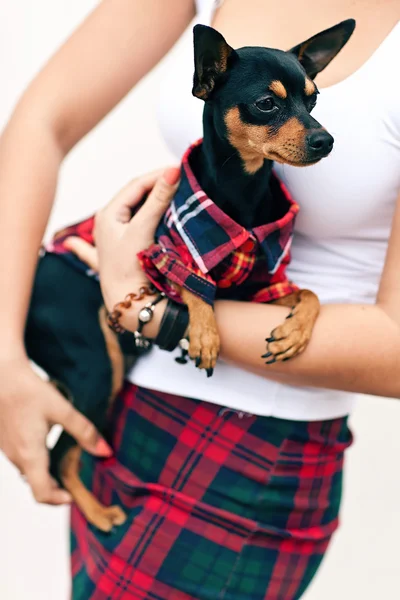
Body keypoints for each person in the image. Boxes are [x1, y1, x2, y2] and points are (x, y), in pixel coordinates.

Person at [0, 0, 399, 598]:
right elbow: (40, 122)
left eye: (305, 105)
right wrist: (4, 361)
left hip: (253, 455)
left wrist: (146, 309)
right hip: (119, 408)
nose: (307, 127)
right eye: (271, 107)